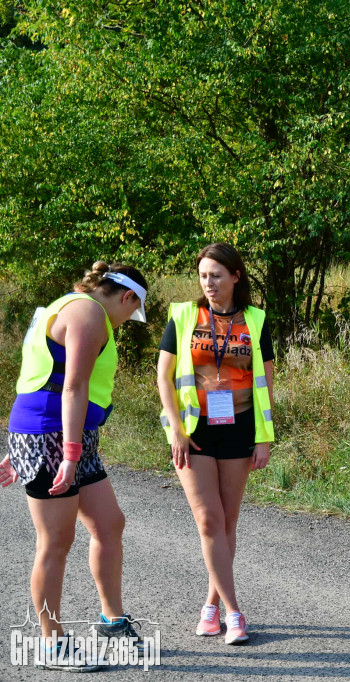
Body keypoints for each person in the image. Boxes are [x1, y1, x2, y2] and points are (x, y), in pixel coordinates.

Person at [0, 261, 149, 672]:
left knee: (109, 523)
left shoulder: (72, 306)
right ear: (127, 297)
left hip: (59, 433)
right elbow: (72, 385)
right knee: (55, 542)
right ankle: (52, 643)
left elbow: (43, 373)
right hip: (55, 435)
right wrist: (64, 453)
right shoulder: (88, 313)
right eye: (131, 314)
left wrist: (26, 445)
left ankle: (111, 622)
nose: (126, 322)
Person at [156, 243, 274, 646]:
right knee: (208, 521)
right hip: (194, 430)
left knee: (226, 523)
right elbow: (163, 378)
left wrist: (263, 437)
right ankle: (234, 612)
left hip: (240, 429)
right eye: (204, 275)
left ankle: (210, 606)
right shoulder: (185, 315)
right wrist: (176, 429)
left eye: (217, 275)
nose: (209, 283)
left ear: (236, 277)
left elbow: (266, 383)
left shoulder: (256, 320)